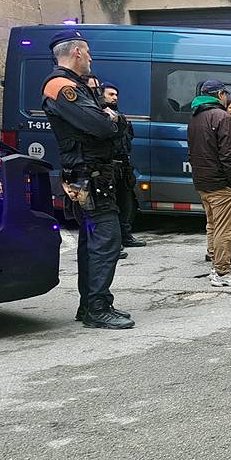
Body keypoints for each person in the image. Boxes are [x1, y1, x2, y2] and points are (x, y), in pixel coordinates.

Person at [43, 31, 133, 329]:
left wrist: (110, 117)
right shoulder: (62, 87)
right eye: (89, 53)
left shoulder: (74, 86)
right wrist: (113, 119)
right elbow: (101, 126)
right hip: (88, 177)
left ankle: (91, 305)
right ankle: (97, 307)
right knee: (106, 239)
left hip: (90, 177)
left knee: (94, 240)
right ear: (78, 52)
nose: (91, 58)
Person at [187, 80, 231, 288]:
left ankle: (216, 267)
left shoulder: (195, 117)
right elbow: (229, 154)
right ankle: (222, 271)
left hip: (203, 182)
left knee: (212, 226)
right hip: (222, 184)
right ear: (220, 94)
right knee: (225, 230)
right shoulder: (222, 117)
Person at [98, 82, 145, 249]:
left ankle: (125, 236)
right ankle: (114, 242)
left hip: (123, 165)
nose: (115, 97)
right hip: (109, 166)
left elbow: (128, 136)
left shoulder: (118, 115)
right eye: (111, 94)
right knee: (110, 205)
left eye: (116, 95)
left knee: (126, 203)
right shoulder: (99, 115)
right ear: (101, 95)